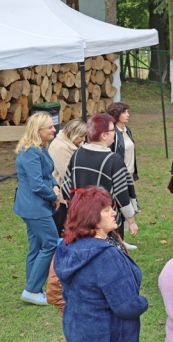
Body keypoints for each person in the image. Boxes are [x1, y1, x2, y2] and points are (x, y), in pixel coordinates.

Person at [55, 186, 148, 342]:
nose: (114, 212)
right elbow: (126, 306)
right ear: (92, 217)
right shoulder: (106, 257)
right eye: (106, 210)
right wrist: (143, 302)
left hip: (82, 336)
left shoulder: (68, 247)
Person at [62, 113, 139, 241]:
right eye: (113, 130)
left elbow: (66, 187)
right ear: (103, 135)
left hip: (80, 220)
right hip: (105, 224)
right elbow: (122, 195)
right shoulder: (113, 160)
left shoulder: (77, 154)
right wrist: (131, 220)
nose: (115, 133)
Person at [14, 112, 60, 305]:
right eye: (49, 127)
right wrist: (54, 196)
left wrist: (56, 185)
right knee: (50, 243)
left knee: (36, 246)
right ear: (38, 130)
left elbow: (47, 175)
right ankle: (32, 291)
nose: (54, 129)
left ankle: (32, 287)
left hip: (35, 206)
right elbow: (37, 185)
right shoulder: (31, 152)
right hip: (34, 208)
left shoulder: (41, 148)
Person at [48, 118, 87, 235]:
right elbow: (68, 173)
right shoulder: (60, 147)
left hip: (72, 194)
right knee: (61, 227)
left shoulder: (74, 143)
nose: (84, 139)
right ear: (73, 134)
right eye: (81, 136)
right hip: (62, 195)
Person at [107, 102, 139, 182]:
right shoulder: (112, 132)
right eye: (124, 112)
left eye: (128, 112)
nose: (128, 115)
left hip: (130, 173)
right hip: (119, 176)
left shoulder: (127, 130)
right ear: (116, 114)